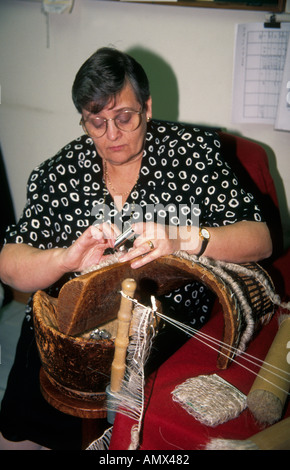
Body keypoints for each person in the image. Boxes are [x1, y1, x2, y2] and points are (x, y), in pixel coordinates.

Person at [0, 47, 272, 450]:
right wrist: (65, 259)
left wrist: (183, 238)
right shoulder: (61, 172)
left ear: (146, 106)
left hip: (165, 326)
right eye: (96, 122)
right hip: (74, 332)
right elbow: (9, 265)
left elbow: (260, 239)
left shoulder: (192, 153)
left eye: (124, 118)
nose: (111, 135)